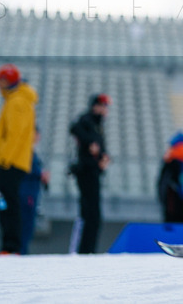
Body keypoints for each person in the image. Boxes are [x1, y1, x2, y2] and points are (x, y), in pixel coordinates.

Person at [0, 63, 38, 255]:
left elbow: (14, 135)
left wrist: (4, 160)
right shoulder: (15, 100)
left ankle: (11, 246)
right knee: (4, 202)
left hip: (10, 163)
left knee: (8, 203)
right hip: (9, 162)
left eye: (1, 80)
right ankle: (9, 245)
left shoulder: (18, 101)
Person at [69, 93, 112, 254]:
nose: (104, 109)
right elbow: (74, 128)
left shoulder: (97, 124)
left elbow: (99, 147)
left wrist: (104, 157)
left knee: (93, 215)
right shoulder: (88, 120)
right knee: (89, 214)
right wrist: (91, 144)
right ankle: (85, 251)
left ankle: (88, 250)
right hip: (86, 171)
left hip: (93, 171)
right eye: (101, 106)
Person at [19, 126, 50, 255]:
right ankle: (21, 252)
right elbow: (27, 169)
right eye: (35, 134)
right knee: (25, 224)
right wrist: (41, 174)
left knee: (28, 225)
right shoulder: (25, 151)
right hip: (27, 193)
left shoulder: (31, 151)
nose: (38, 137)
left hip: (31, 192)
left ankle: (22, 251)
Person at [157, 131, 183, 223]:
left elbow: (163, 182)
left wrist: (161, 198)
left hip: (172, 200)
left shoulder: (170, 159)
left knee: (172, 226)